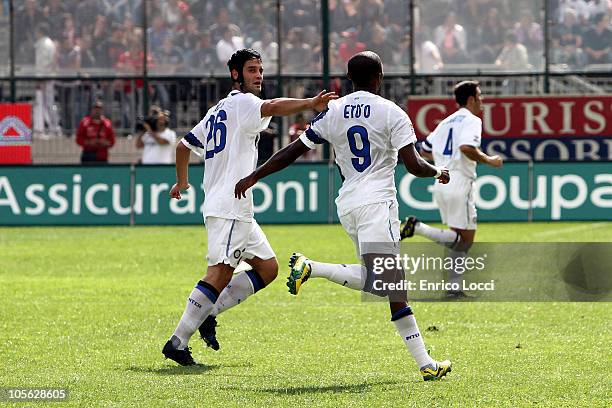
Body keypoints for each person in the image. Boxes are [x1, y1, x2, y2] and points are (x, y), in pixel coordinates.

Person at [234, 51, 453, 381]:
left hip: (348, 204)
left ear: (349, 79)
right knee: (389, 283)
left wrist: (256, 175)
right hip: (377, 203)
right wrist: (438, 171)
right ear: (379, 77)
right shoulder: (392, 112)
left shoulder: (333, 111)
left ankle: (426, 363)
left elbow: (293, 150)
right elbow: (414, 164)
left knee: (382, 282)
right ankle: (314, 267)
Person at [162, 48, 337, 366]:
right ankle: (177, 341)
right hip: (229, 205)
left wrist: (182, 182)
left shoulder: (219, 109)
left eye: (260, 69)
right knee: (219, 273)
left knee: (268, 268)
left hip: (234, 207)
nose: (258, 75)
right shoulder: (244, 103)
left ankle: (208, 313)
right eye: (252, 70)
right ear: (235, 75)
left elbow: (183, 145)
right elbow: (271, 106)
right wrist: (310, 103)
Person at [400, 81, 503, 297]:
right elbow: (466, 148)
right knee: (465, 240)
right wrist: (490, 160)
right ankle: (419, 228)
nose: (482, 102)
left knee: (457, 238)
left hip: (442, 182)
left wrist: (441, 158)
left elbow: (424, 150)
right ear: (471, 99)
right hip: (460, 182)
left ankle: (454, 289)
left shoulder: (444, 123)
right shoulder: (472, 120)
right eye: (480, 96)